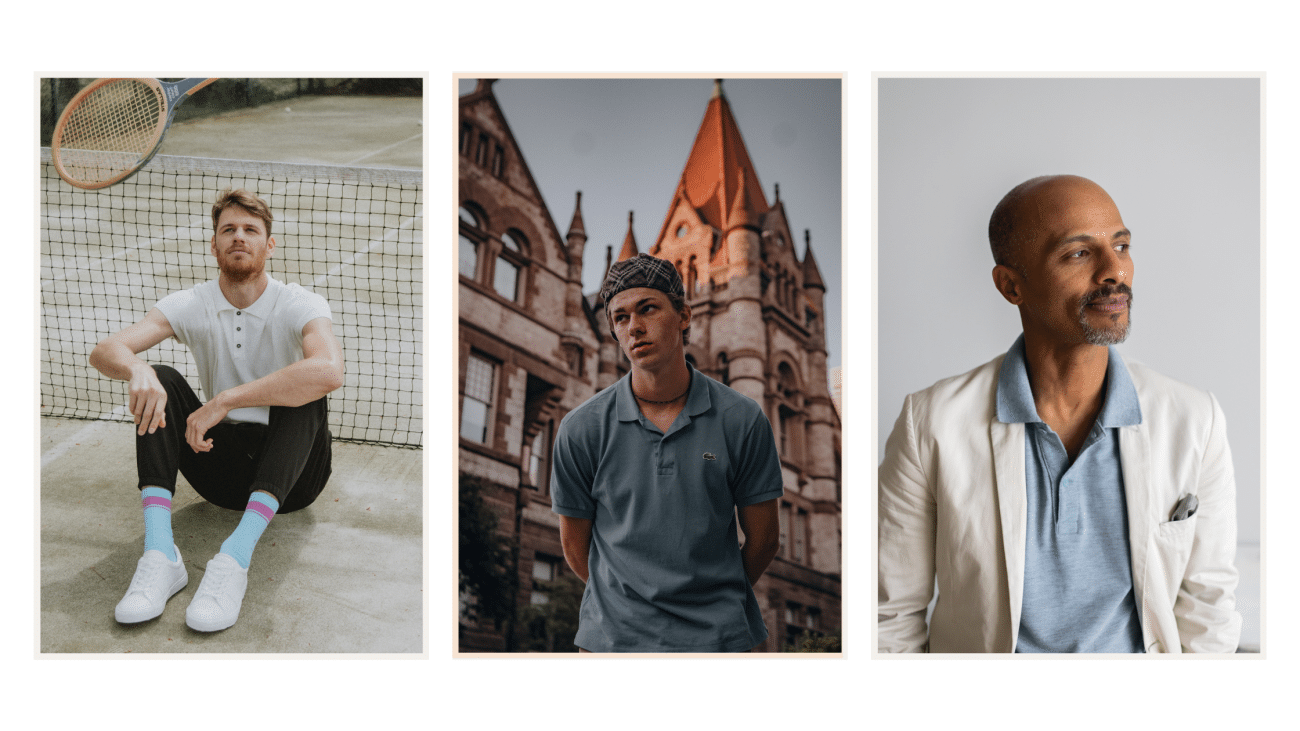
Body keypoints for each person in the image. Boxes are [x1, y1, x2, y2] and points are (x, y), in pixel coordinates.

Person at [878, 175, 1241, 653]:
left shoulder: (1195, 419)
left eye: (1122, 245)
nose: (1116, 271)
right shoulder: (930, 424)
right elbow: (888, 617)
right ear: (1012, 285)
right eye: (1078, 253)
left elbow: (1208, 606)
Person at [89, 188, 344, 632]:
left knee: (305, 387)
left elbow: (329, 370)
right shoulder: (194, 302)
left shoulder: (299, 302)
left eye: (251, 230)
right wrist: (137, 369)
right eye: (228, 229)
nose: (239, 237)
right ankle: (160, 554)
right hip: (222, 477)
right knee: (162, 378)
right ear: (214, 244)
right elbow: (105, 349)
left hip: (296, 480)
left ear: (270, 244)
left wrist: (226, 398)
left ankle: (233, 558)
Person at [550, 254, 783, 652]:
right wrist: (629, 603)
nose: (634, 327)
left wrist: (713, 601)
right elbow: (575, 548)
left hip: (718, 642)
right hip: (612, 644)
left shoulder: (742, 420)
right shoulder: (581, 428)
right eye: (620, 318)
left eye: (648, 309)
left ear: (684, 315)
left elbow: (763, 540)